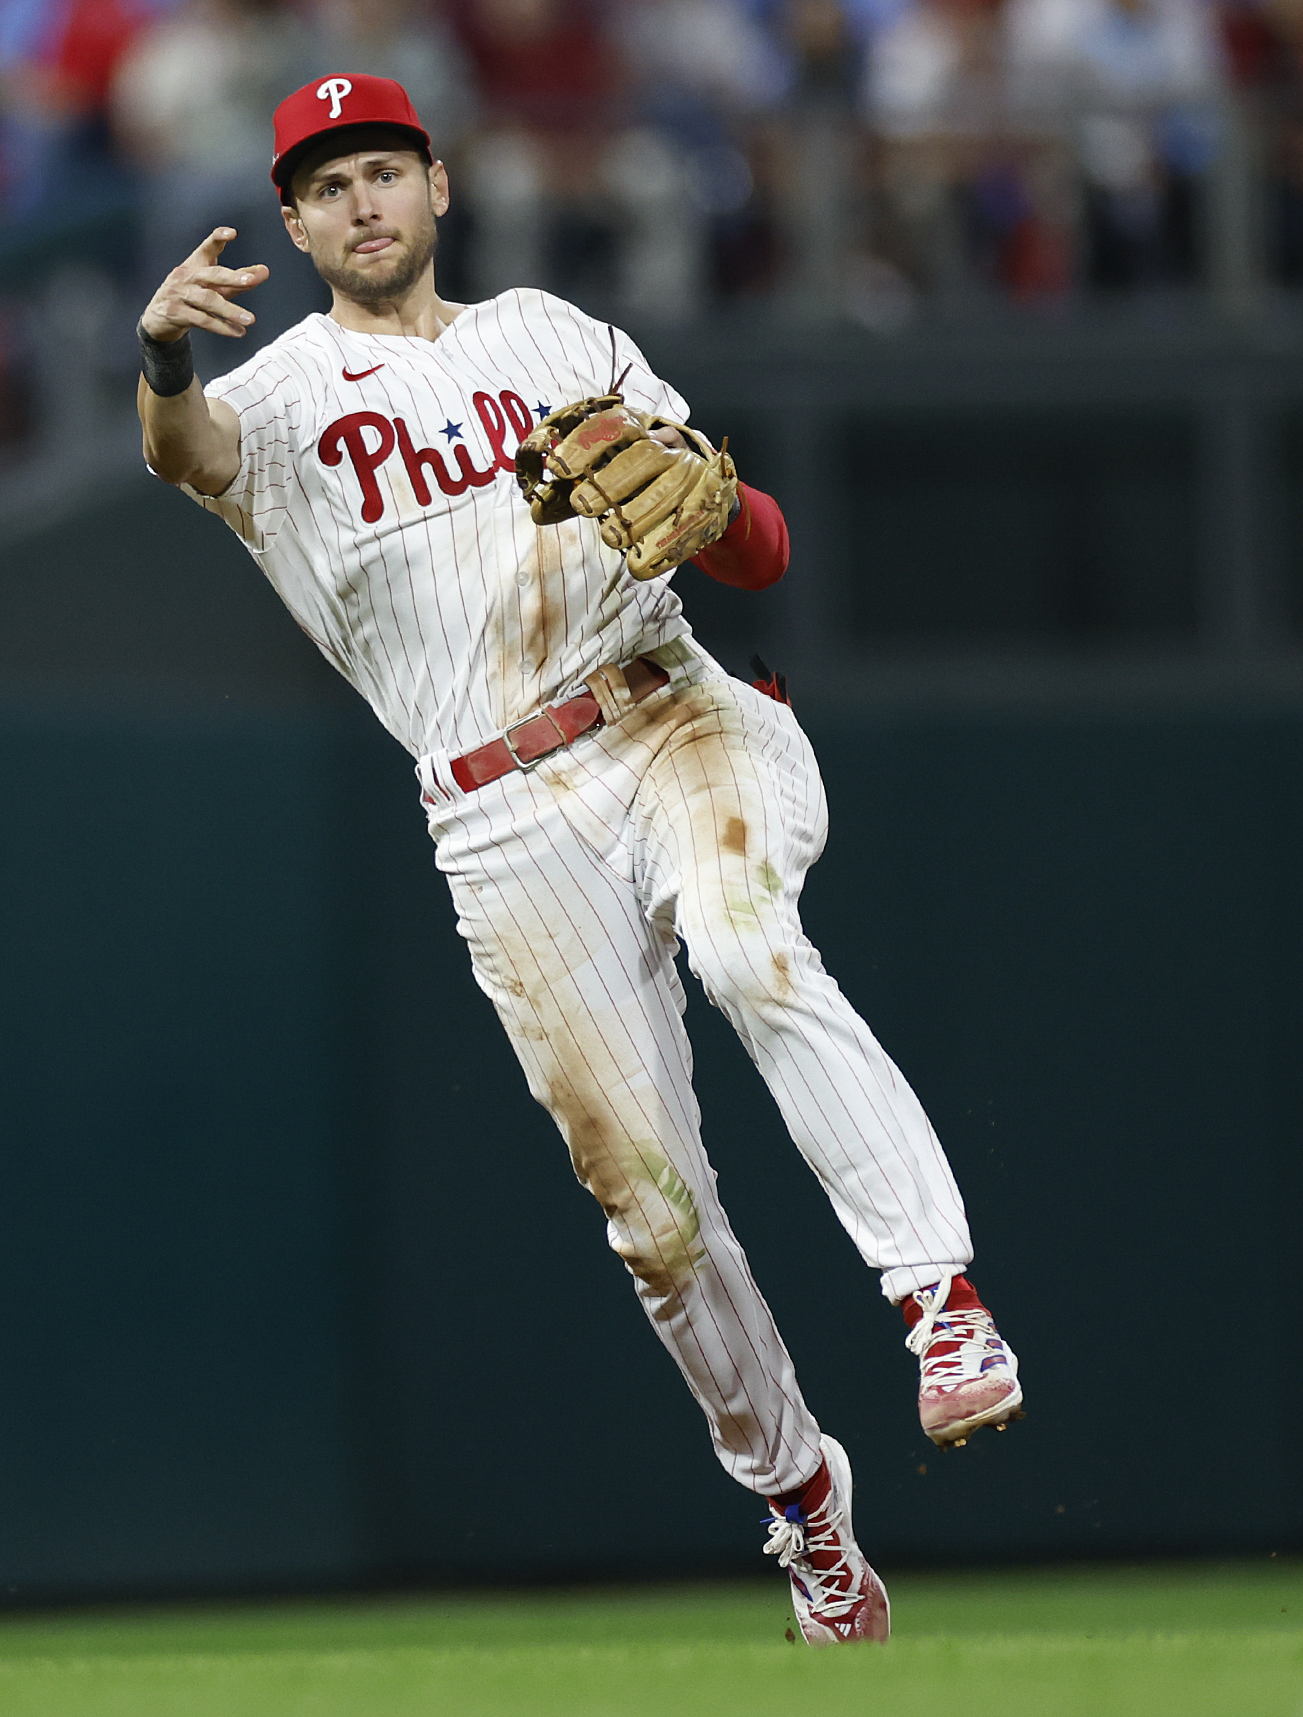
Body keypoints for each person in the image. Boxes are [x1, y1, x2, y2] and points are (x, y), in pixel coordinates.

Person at [133, 75, 1021, 1645]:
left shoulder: (555, 331)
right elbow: (179, 452)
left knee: (754, 948)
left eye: (383, 171)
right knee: (655, 1218)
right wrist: (156, 353)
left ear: (438, 186)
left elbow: (757, 546)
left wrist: (712, 506)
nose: (361, 202)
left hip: (672, 710)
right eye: (326, 184)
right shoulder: (269, 399)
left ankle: (940, 1302)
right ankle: (806, 1509)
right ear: (291, 220)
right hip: (495, 812)